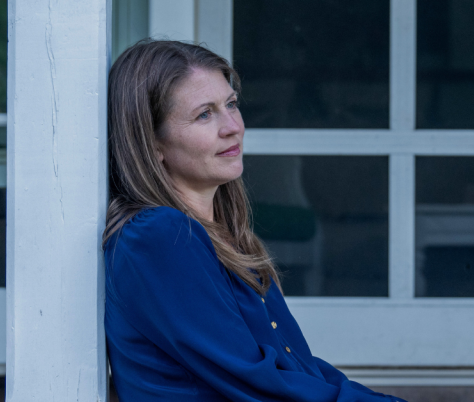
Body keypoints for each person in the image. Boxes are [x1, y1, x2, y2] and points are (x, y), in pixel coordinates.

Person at [102, 40, 407, 401]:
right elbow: (258, 384)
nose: (232, 126)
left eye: (231, 104)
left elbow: (297, 368)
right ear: (152, 144)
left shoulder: (224, 237)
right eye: (205, 114)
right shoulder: (157, 238)